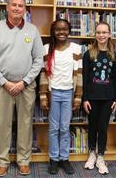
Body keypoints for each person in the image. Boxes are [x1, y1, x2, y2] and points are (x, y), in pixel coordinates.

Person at [0, 0, 43, 177]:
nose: (17, 8)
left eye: (21, 6)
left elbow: (38, 60)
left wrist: (24, 82)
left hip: (26, 86)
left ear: (25, 9)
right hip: (3, 86)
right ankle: (2, 160)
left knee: (25, 124)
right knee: (2, 124)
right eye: (14, 5)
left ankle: (23, 160)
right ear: (7, 8)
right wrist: (5, 82)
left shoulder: (32, 30)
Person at [39, 19, 82, 175]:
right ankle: (54, 159)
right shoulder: (46, 49)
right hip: (54, 93)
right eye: (58, 29)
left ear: (69, 31)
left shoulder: (76, 49)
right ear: (53, 31)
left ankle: (64, 158)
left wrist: (78, 97)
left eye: (64, 29)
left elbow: (80, 74)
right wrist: (43, 95)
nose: (61, 32)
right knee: (53, 129)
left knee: (64, 128)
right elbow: (44, 74)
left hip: (69, 92)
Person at [82, 22, 116, 175]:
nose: (101, 35)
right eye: (98, 32)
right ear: (95, 34)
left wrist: (115, 99)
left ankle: (101, 157)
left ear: (109, 34)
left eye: (104, 32)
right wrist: (85, 98)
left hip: (108, 98)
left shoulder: (113, 55)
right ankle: (92, 153)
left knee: (103, 127)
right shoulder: (89, 54)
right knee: (92, 126)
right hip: (92, 98)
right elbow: (84, 78)